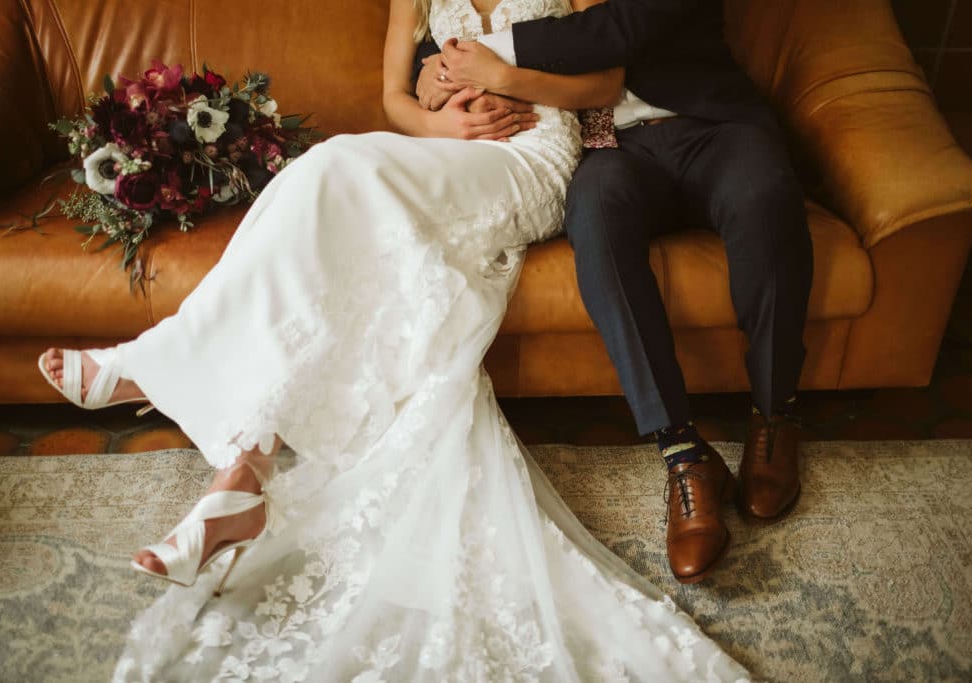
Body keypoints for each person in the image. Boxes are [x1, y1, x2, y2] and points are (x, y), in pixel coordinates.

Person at [40, 0, 752, 679]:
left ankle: (158, 367)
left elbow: (607, 77)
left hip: (531, 160)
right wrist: (443, 121)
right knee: (318, 179)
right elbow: (394, 100)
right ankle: (242, 475)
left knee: (335, 170)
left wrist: (501, 78)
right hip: (449, 150)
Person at [417, 0, 813, 585]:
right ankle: (683, 454)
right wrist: (434, 69)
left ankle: (775, 414)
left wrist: (476, 58)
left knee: (764, 198)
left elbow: (613, 30)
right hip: (612, 152)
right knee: (595, 216)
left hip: (713, 128)